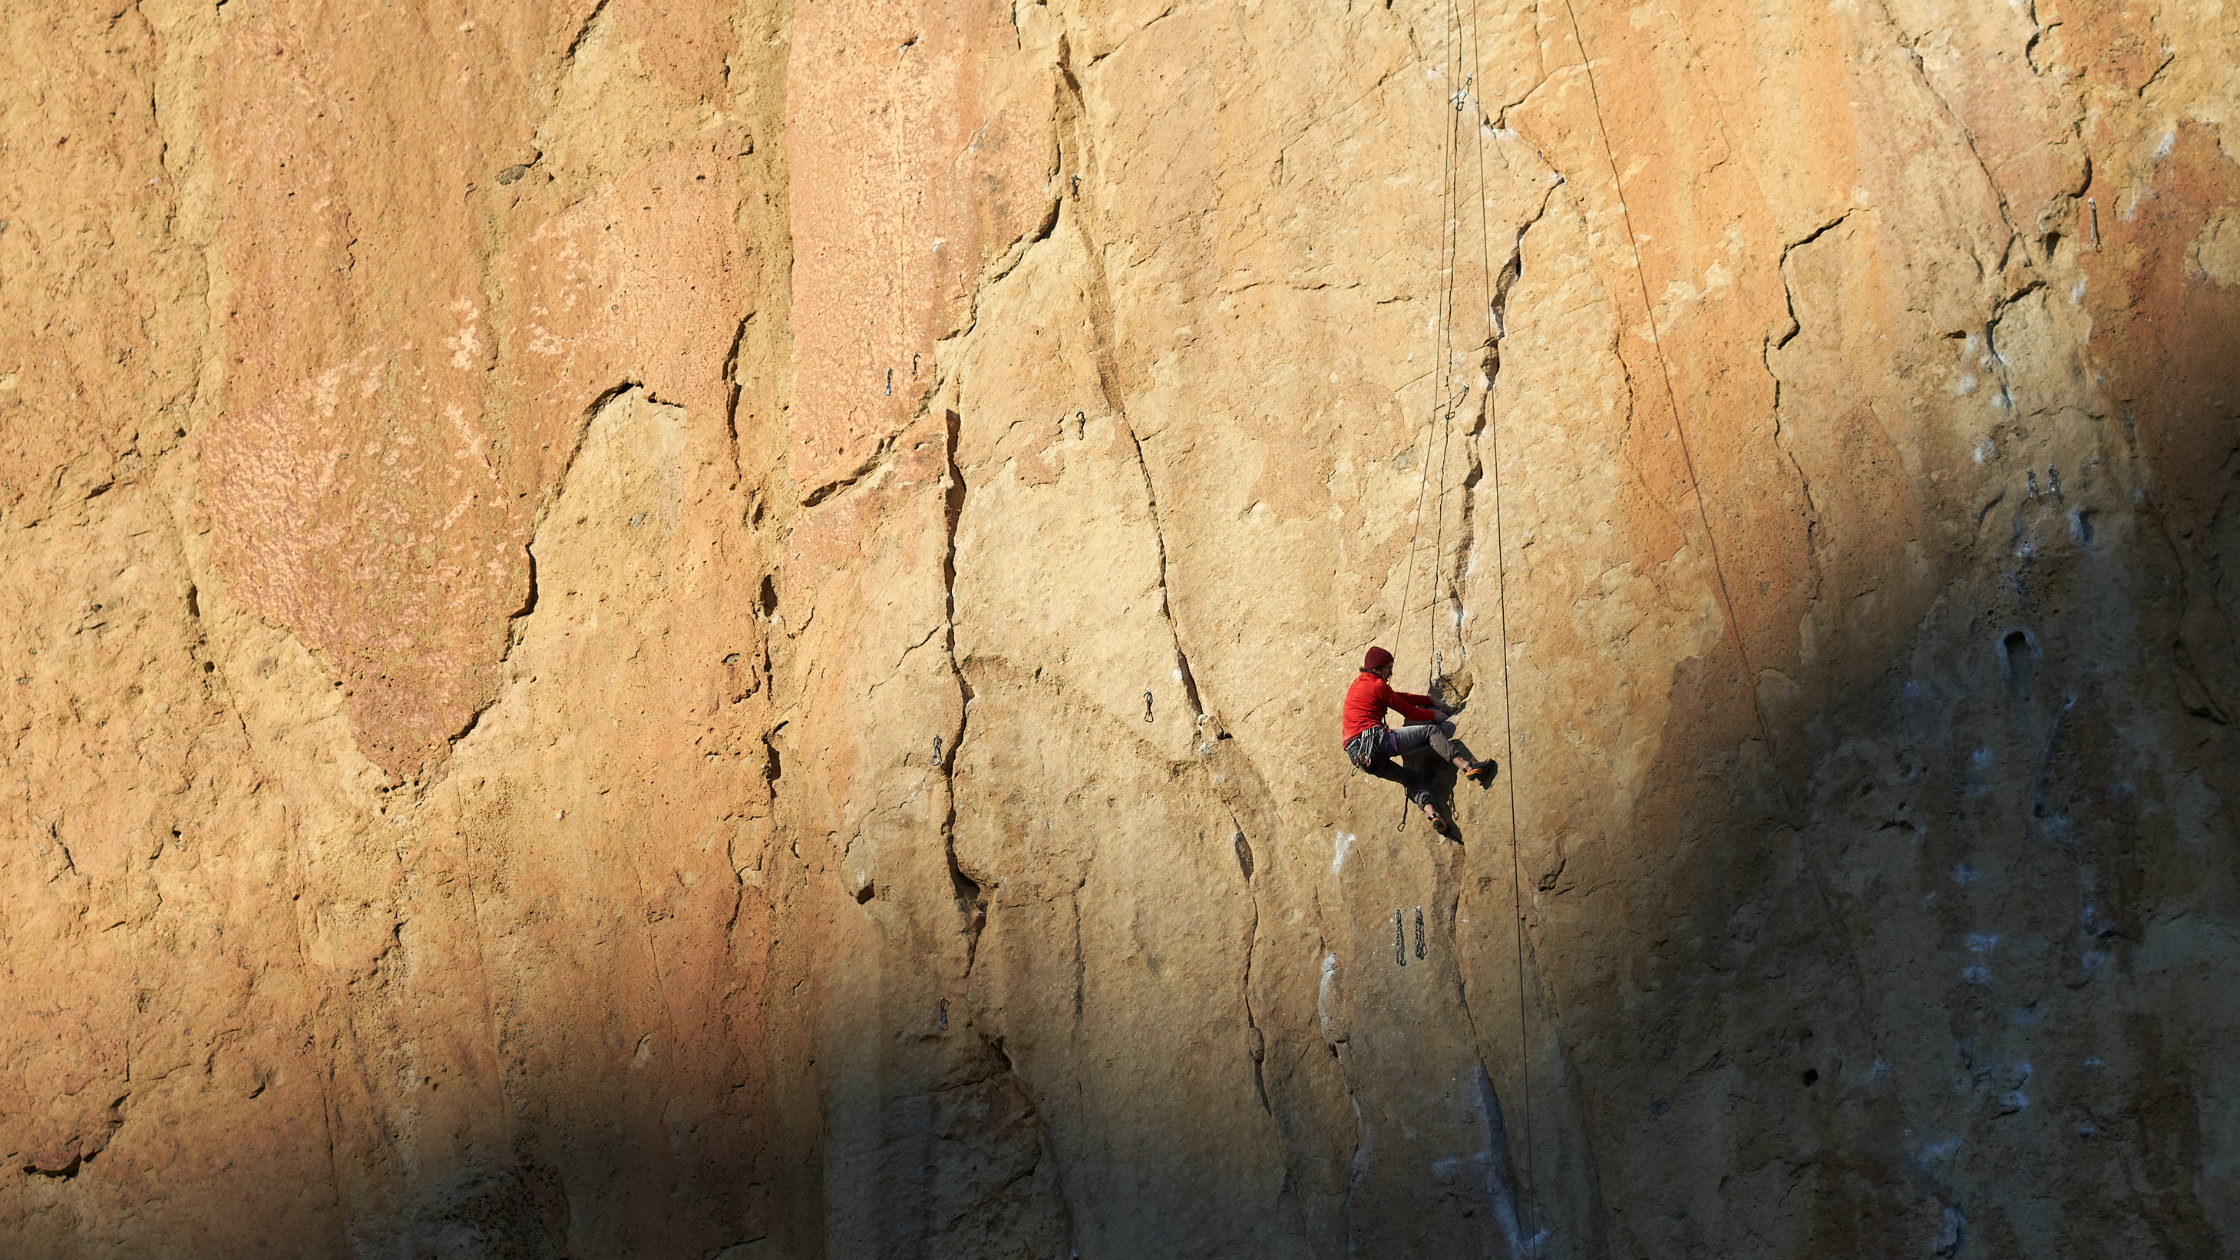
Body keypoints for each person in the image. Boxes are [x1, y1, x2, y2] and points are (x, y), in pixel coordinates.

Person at [1342, 646, 1496, 833]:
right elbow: (1406, 710)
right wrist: (1434, 714)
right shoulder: (1377, 685)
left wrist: (1429, 700)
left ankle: (1434, 816)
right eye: (1389, 668)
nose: (1390, 673)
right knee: (1429, 732)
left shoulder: (1360, 684)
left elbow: (1397, 697)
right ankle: (1467, 767)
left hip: (1359, 756)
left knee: (1411, 779)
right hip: (1375, 740)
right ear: (1380, 668)